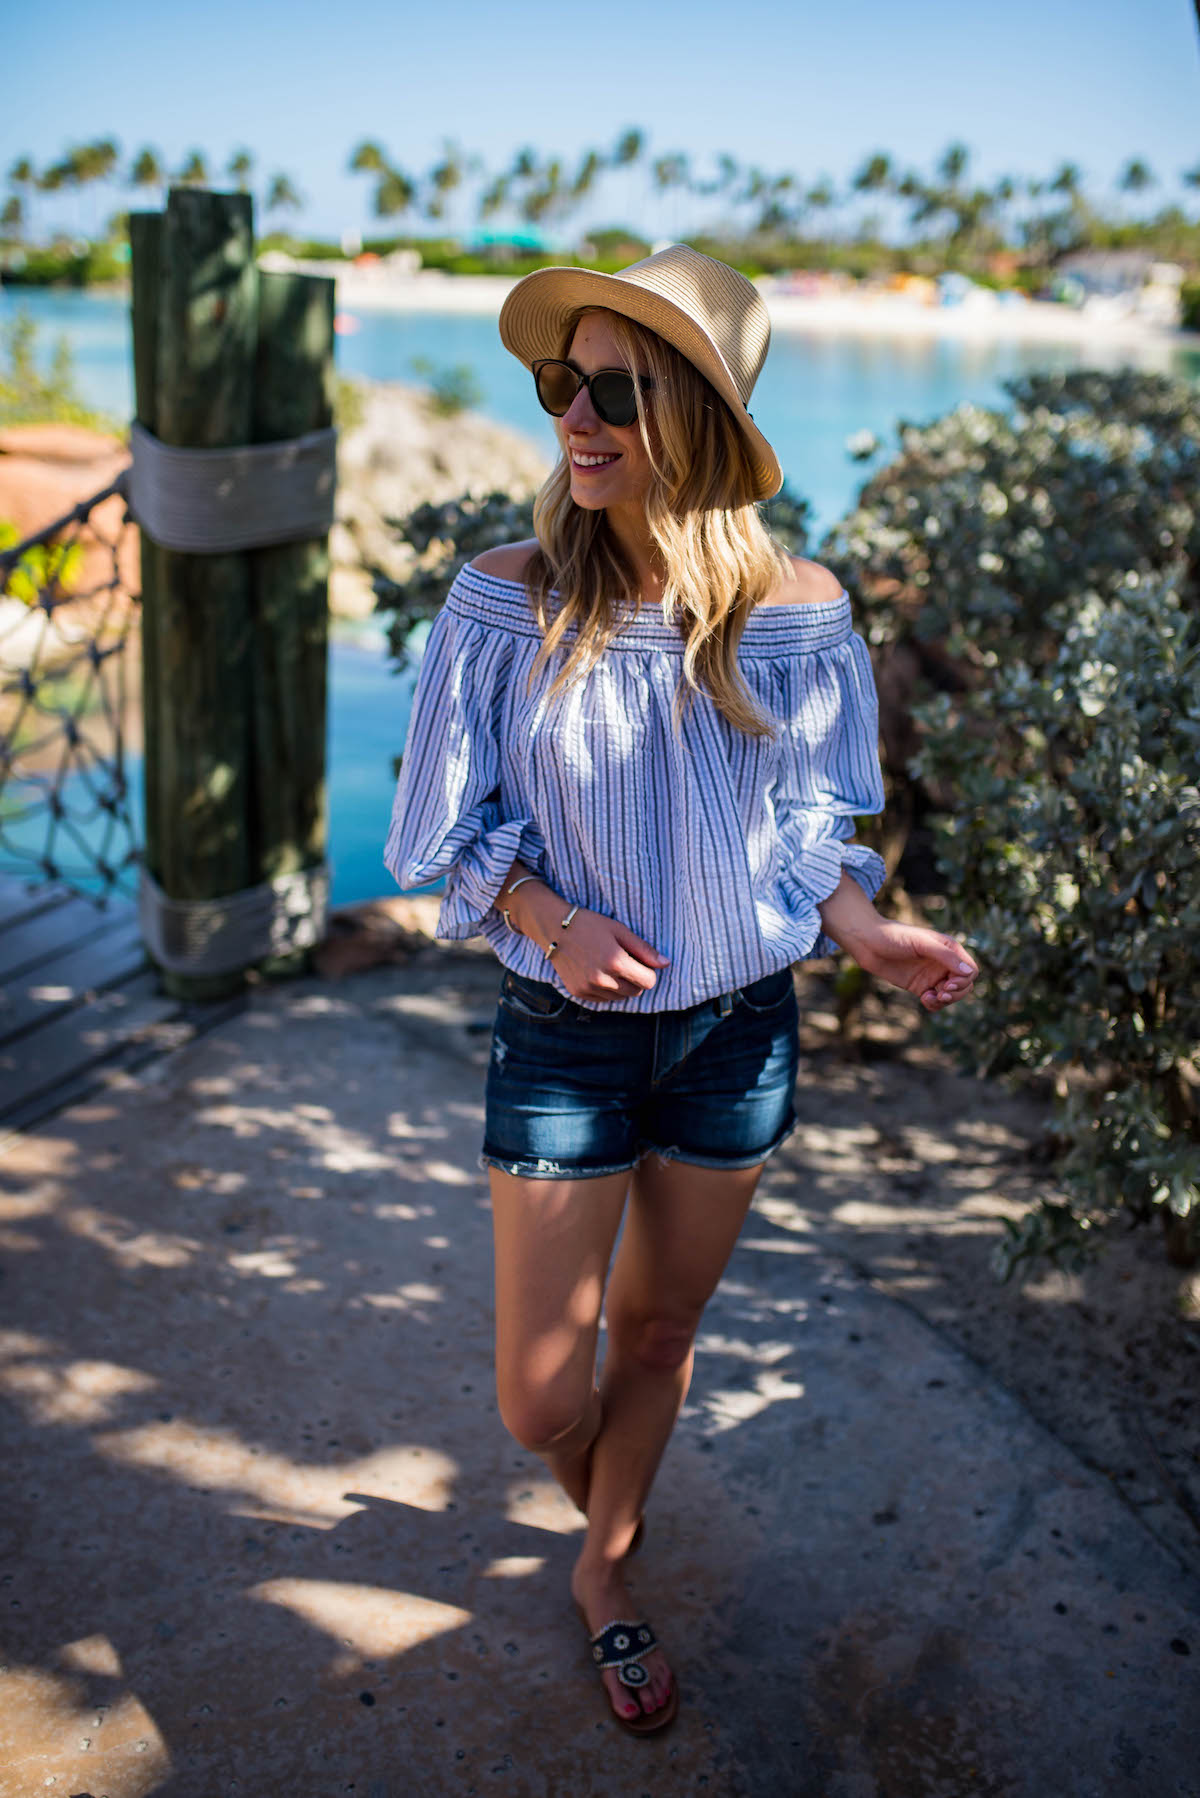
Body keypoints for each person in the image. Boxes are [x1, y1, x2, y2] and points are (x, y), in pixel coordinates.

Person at [383, 244, 979, 1736]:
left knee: (655, 1340)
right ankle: (614, 1524)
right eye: (560, 384)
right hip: (565, 1039)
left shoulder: (798, 611)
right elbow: (440, 834)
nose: (574, 418)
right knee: (537, 1396)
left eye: (616, 392)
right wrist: (548, 915)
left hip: (735, 1036)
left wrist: (867, 929)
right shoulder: (504, 600)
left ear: (699, 422)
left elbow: (804, 832)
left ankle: (609, 1566)